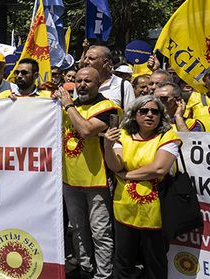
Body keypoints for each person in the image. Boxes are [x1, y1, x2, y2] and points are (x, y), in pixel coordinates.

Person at [103, 95, 181, 278]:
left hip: (156, 210)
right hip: (125, 207)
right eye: (144, 111)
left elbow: (159, 168)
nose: (149, 115)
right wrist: (107, 146)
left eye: (155, 111)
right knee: (123, 261)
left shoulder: (168, 136)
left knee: (155, 262)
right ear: (134, 114)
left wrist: (127, 175)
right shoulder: (122, 135)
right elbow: (115, 165)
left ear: (161, 116)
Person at [55, 67, 120, 279]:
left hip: (97, 181)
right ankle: (85, 268)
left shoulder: (107, 107)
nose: (81, 84)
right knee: (77, 229)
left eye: (87, 81)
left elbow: (85, 130)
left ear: (99, 83)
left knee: (100, 232)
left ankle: (103, 274)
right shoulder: (65, 106)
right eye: (79, 81)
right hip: (69, 179)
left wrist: (68, 105)